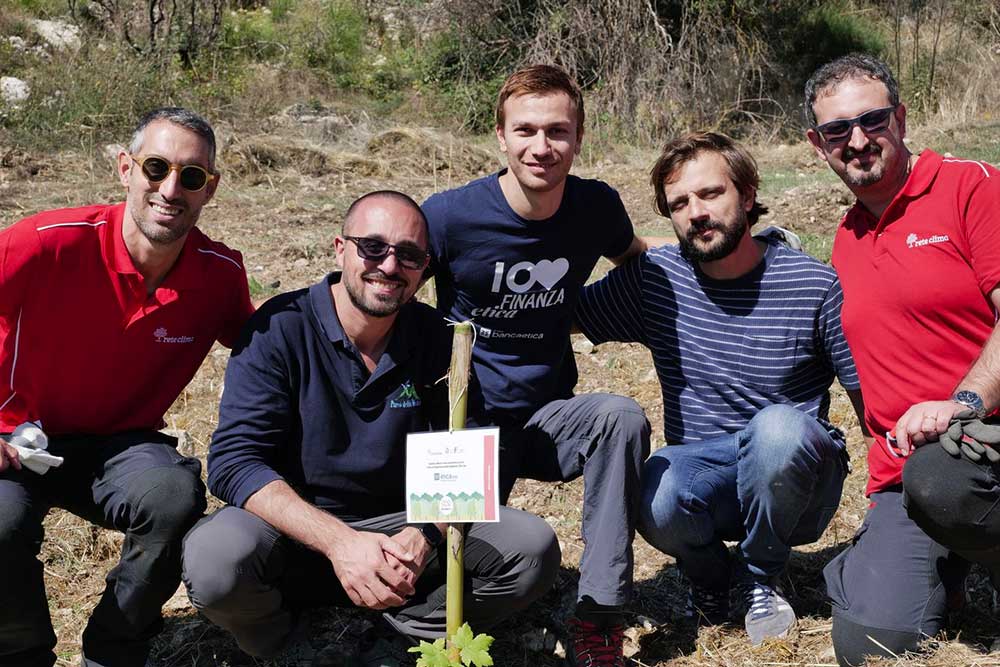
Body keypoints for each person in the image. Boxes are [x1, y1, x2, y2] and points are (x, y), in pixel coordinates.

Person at [181, 191, 560, 665]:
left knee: (530, 547)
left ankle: (410, 631)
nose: (389, 265)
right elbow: (234, 462)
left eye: (409, 254)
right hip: (296, 531)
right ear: (340, 248)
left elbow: (469, 456)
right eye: (373, 247)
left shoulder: (440, 339)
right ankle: (287, 645)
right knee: (215, 559)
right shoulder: (279, 328)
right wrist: (340, 544)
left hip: (403, 535)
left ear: (424, 268)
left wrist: (423, 535)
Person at [575, 131, 865, 646]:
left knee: (775, 428)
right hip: (706, 475)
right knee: (652, 487)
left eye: (711, 194)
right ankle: (712, 580)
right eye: (680, 203)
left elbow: (868, 395)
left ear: (748, 195)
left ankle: (761, 576)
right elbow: (560, 317)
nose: (696, 213)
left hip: (797, 480)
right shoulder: (657, 280)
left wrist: (892, 507)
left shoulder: (813, 284)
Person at [0, 107, 253, 667]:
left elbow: (271, 353)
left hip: (120, 445)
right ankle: (19, 652)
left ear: (210, 188)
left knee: (173, 495)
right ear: (124, 167)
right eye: (156, 167)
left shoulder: (219, 276)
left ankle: (115, 648)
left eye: (190, 176)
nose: (170, 189)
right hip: (14, 441)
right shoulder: (45, 243)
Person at [421, 64, 651, 667]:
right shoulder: (450, 218)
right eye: (525, 130)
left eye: (557, 131)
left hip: (547, 416)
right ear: (500, 136)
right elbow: (383, 291)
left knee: (620, 417)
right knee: (443, 574)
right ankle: (434, 623)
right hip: (466, 425)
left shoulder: (595, 206)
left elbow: (636, 259)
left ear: (578, 138)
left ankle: (599, 615)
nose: (541, 147)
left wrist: (727, 258)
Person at [805, 53, 1000, 666]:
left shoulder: (970, 187)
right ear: (818, 145)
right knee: (870, 642)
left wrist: (964, 403)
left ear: (902, 117)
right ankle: (945, 572)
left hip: (980, 448)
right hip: (903, 479)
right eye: (838, 130)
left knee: (943, 477)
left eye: (873, 119)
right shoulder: (846, 236)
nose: (858, 140)